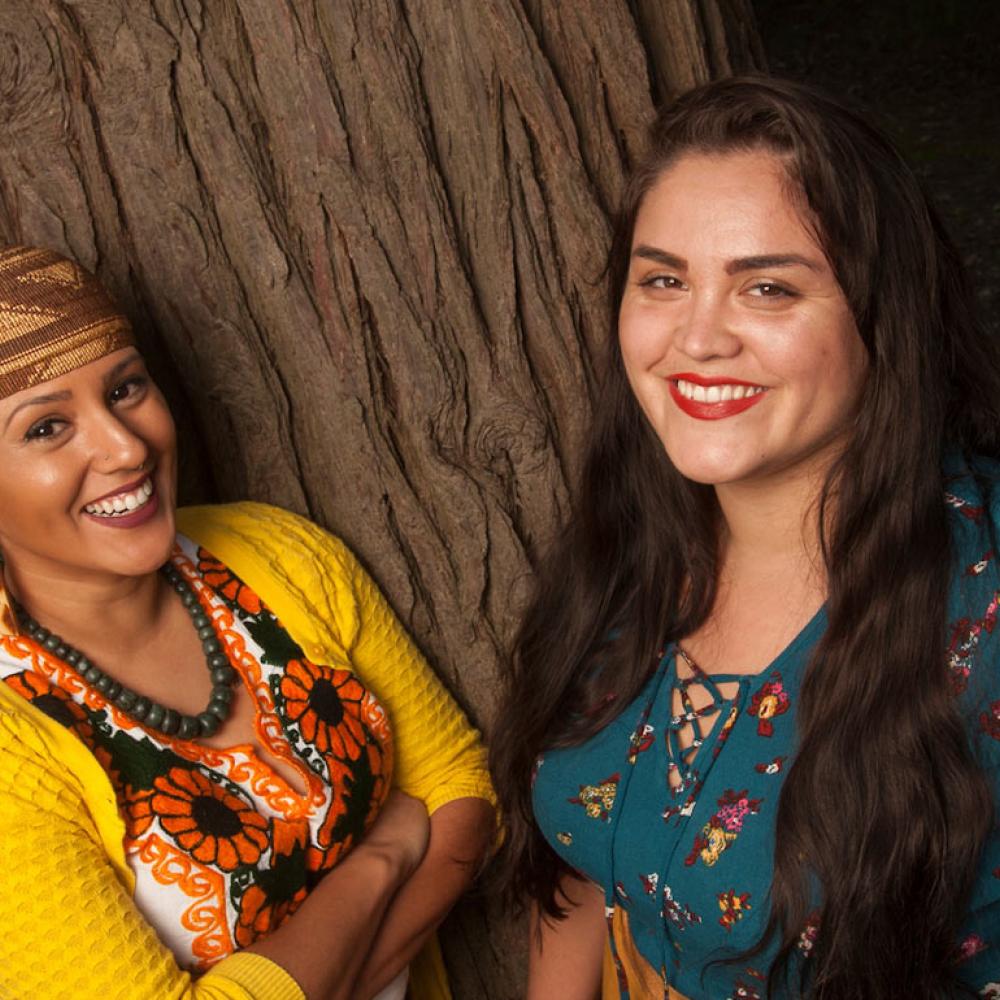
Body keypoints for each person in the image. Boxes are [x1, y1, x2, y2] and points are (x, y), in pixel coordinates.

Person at [489, 76, 1000, 999]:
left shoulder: (982, 606)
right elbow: (577, 876)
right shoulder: (631, 541)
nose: (698, 337)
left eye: (766, 288)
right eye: (664, 279)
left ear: (882, 314)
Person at [0, 244, 495, 1000]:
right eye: (45, 430)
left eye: (126, 388)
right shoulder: (12, 748)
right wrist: (383, 855)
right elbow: (425, 816)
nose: (126, 447)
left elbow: (462, 790)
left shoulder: (277, 555)